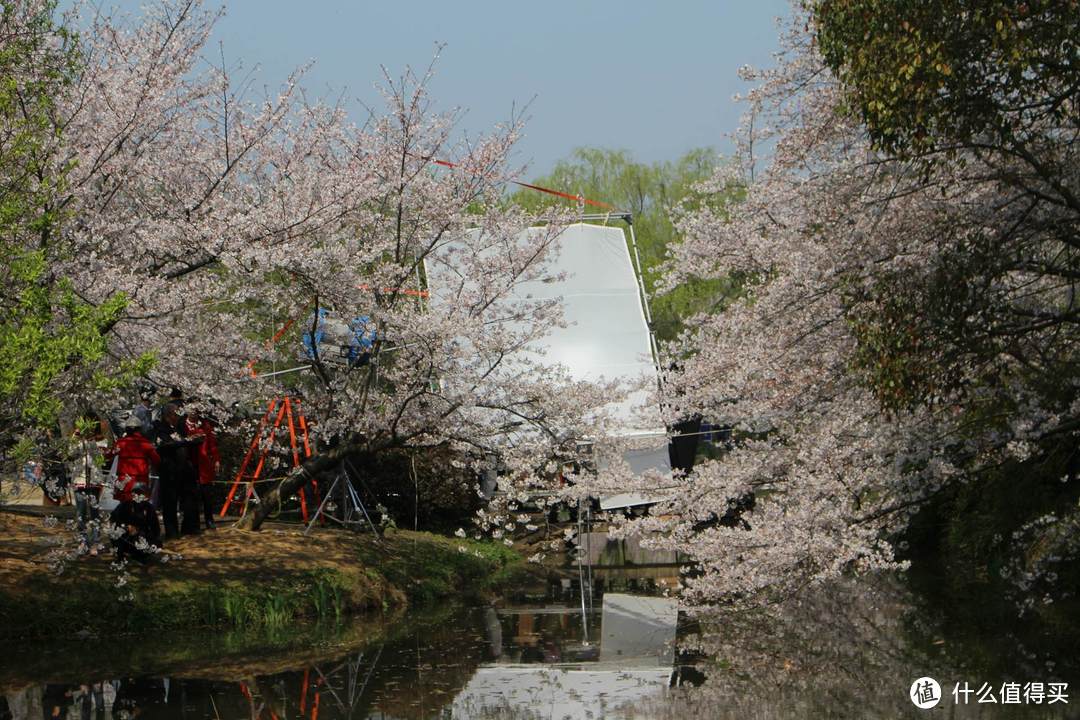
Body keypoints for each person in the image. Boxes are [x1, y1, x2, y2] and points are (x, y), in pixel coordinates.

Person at [153, 403, 201, 537]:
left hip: (184, 468)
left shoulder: (180, 427)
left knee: (189, 498)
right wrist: (186, 442)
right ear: (168, 415)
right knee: (170, 502)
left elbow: (184, 439)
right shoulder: (160, 427)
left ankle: (190, 527)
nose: (178, 417)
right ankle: (172, 531)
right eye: (175, 414)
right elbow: (164, 445)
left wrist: (192, 440)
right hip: (169, 470)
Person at [68, 418, 108, 555]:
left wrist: (90, 441)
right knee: (80, 512)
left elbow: (100, 457)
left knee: (94, 512)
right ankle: (82, 541)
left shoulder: (101, 440)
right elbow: (71, 453)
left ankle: (95, 542)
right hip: (80, 478)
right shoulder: (77, 440)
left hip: (94, 480)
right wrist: (76, 437)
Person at [104, 416, 159, 503]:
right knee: (141, 507)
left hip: (124, 482)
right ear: (140, 429)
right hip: (141, 482)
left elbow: (108, 455)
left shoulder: (120, 443)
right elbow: (157, 460)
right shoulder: (146, 444)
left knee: (124, 507)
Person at [184, 407, 220, 530]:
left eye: (196, 410)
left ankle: (209, 519)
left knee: (207, 494)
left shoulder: (205, 426)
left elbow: (212, 444)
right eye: (191, 410)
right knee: (191, 495)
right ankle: (193, 522)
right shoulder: (182, 425)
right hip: (188, 463)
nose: (194, 412)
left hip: (204, 463)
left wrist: (216, 460)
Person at [109, 482, 160, 564]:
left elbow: (156, 529)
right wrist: (126, 526)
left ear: (146, 495)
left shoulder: (149, 508)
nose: (137, 495)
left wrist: (149, 538)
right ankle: (120, 554)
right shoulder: (125, 505)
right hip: (125, 535)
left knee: (156, 543)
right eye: (135, 492)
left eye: (140, 493)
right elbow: (112, 519)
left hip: (141, 536)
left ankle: (140, 555)